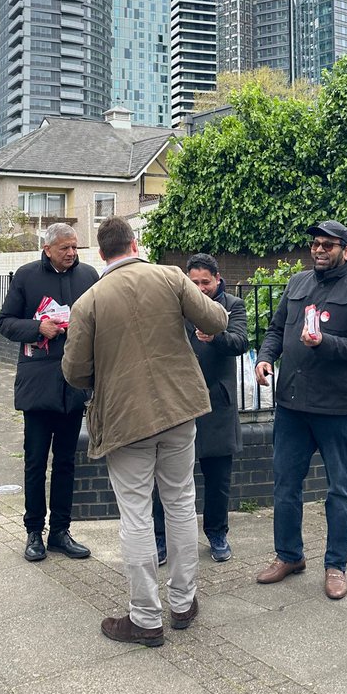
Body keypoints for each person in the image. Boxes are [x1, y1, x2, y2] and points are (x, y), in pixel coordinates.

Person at [62, 216, 229, 647]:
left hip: (125, 419)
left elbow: (75, 372)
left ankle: (144, 618)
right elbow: (216, 320)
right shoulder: (171, 277)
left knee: (136, 513)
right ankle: (183, 602)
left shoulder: (89, 302)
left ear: (100, 254)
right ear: (134, 245)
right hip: (179, 410)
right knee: (180, 502)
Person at [254, 219, 347, 599]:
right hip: (291, 403)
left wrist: (323, 342)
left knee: (340, 490)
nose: (320, 249)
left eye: (328, 244)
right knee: (285, 485)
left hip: (335, 407)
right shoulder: (297, 284)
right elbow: (277, 329)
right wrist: (265, 357)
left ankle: (336, 565)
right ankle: (289, 556)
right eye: (315, 244)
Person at [0, 222, 98, 562]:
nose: (71, 253)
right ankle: (33, 532)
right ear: (48, 249)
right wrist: (37, 326)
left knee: (67, 462)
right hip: (39, 383)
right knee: (36, 462)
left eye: (75, 247)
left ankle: (60, 531)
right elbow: (5, 322)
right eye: (65, 248)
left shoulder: (88, 277)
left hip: (73, 384)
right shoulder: (26, 276)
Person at [152, 253, 248, 564]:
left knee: (218, 478)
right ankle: (160, 537)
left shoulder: (233, 305)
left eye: (205, 282)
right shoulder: (177, 305)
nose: (200, 288)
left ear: (218, 279)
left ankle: (217, 534)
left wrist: (217, 336)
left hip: (216, 404)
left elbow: (240, 342)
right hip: (179, 402)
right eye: (193, 282)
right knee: (167, 477)